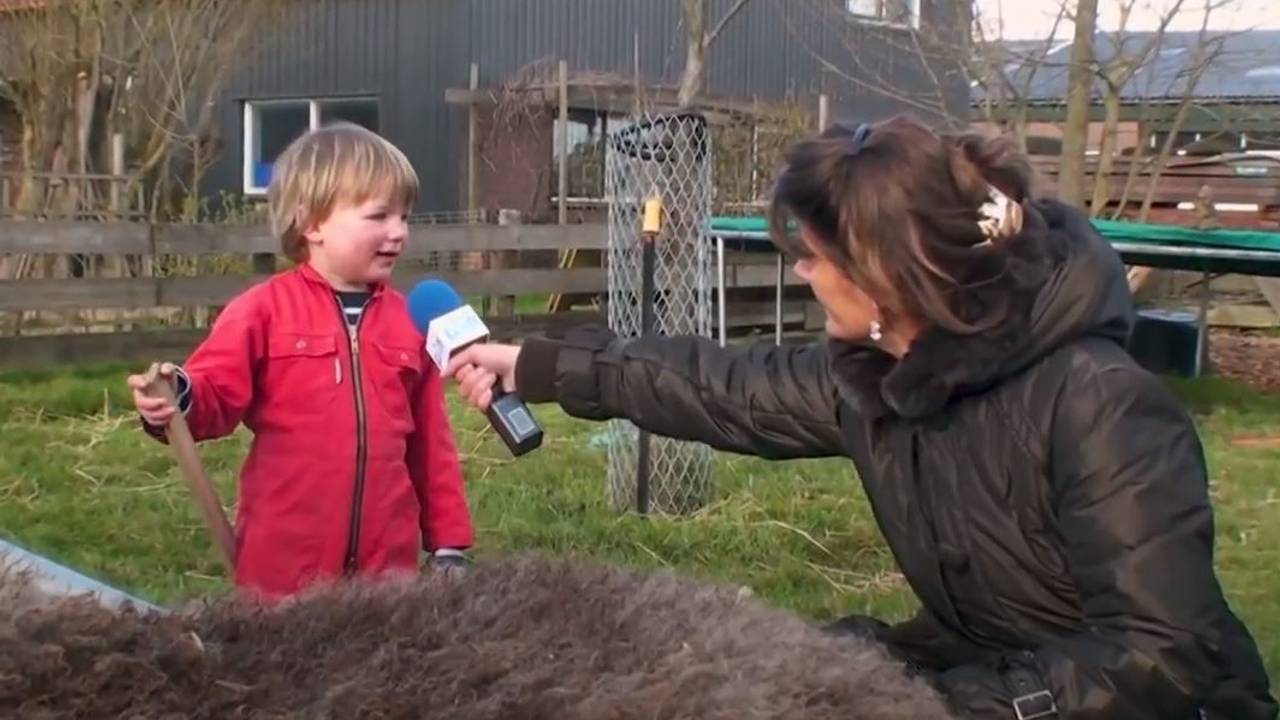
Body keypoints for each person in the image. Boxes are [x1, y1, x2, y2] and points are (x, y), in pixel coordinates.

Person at [443, 115, 1276, 719]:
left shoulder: (1101, 402)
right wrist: (537, 363)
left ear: (882, 274)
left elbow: (1160, 656)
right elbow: (722, 386)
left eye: (815, 255)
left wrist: (943, 707)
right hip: (988, 663)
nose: (801, 270)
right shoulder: (882, 377)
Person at [127, 123, 474, 602]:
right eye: (379, 215)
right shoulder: (262, 311)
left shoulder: (410, 323)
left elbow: (432, 446)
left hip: (388, 576)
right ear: (312, 224)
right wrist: (178, 398)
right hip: (283, 574)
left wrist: (449, 543)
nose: (399, 232)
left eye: (405, 216)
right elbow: (213, 395)